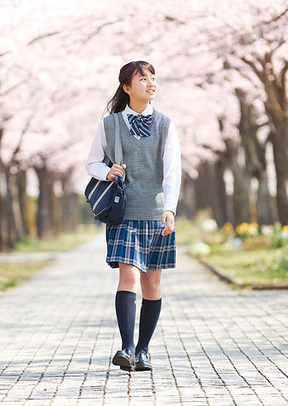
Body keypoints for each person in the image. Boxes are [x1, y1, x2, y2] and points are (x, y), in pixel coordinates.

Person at [86, 60, 181, 372]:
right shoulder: (109, 125)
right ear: (127, 87)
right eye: (143, 79)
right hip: (124, 213)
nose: (151, 83)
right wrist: (108, 170)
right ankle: (126, 348)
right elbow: (92, 164)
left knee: (152, 284)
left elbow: (172, 173)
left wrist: (170, 209)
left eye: (153, 78)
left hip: (155, 214)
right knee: (127, 276)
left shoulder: (166, 125)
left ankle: (143, 350)